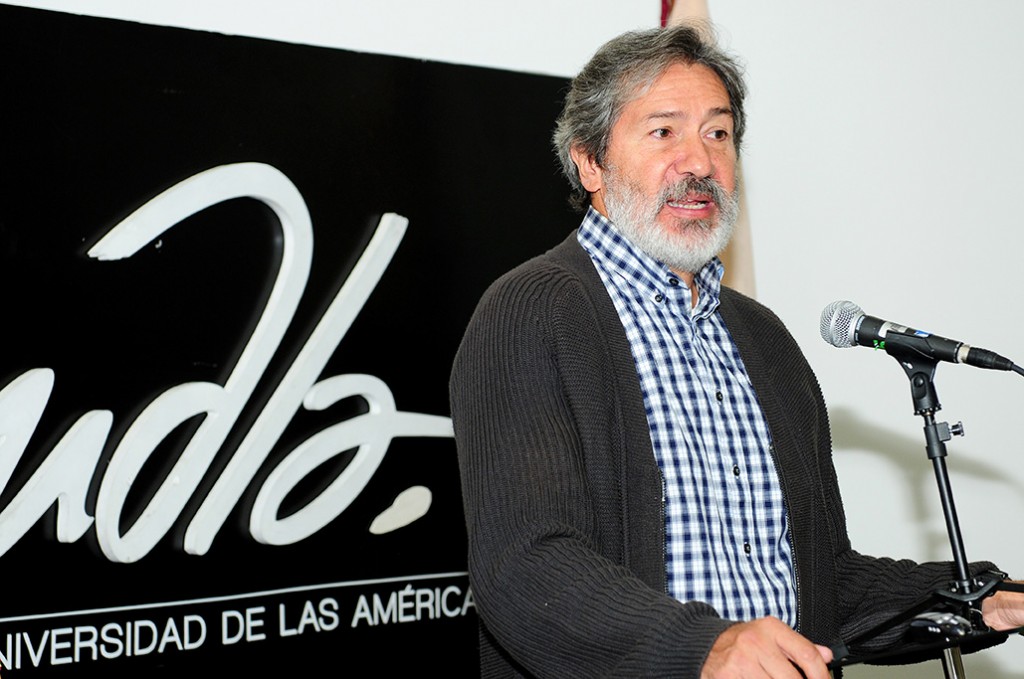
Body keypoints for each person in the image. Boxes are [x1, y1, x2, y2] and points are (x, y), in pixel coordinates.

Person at [448, 22, 1024, 679]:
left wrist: (980, 598)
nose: (699, 162)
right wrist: (705, 646)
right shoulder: (532, 311)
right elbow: (525, 569)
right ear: (590, 162)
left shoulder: (762, 338)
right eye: (664, 131)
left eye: (718, 133)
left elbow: (825, 582)